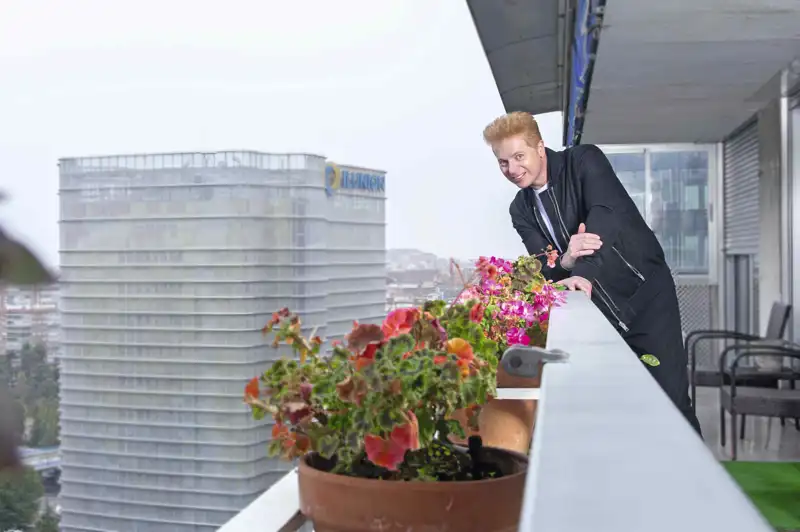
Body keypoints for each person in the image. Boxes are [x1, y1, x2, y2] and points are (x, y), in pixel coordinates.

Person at [483, 111, 702, 435]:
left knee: (670, 400)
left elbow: (604, 217)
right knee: (615, 407)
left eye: (519, 156)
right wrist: (568, 261)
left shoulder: (584, 161)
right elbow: (543, 264)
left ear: (540, 147)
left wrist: (580, 271)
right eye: (503, 162)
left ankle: (695, 480)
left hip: (646, 299)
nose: (512, 170)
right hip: (596, 313)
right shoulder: (521, 208)